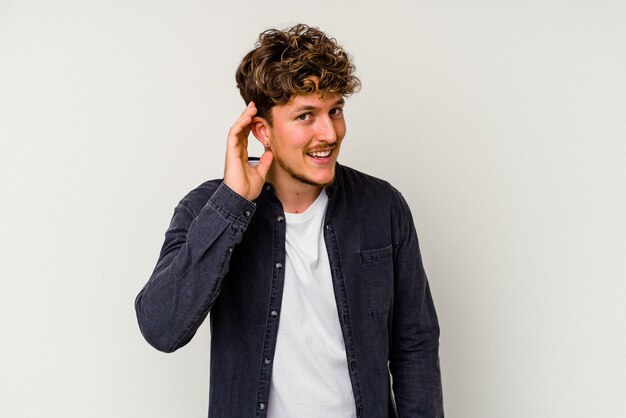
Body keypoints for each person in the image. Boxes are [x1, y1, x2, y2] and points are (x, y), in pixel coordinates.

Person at [135, 24, 443, 417]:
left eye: (335, 111)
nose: (329, 132)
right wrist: (232, 205)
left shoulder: (382, 207)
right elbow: (161, 328)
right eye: (306, 116)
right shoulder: (206, 209)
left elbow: (414, 343)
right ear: (263, 130)